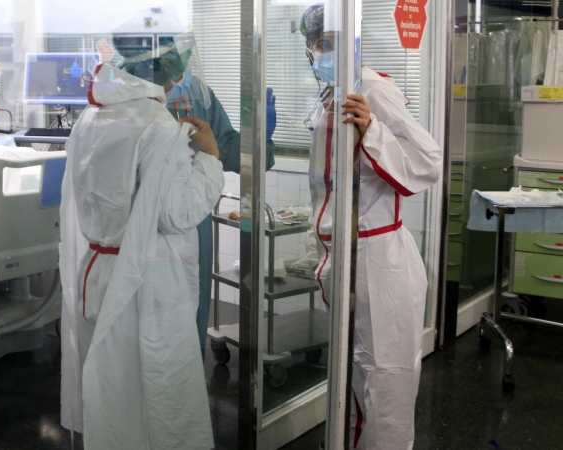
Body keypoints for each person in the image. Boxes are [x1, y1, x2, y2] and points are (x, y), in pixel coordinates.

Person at [59, 62, 224, 449]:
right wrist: (210, 159)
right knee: (154, 388)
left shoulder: (90, 116)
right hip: (145, 277)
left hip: (98, 268)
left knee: (111, 386)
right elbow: (175, 213)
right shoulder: (157, 123)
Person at [300, 5, 442, 449]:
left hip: (380, 260)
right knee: (358, 378)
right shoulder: (330, 91)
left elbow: (427, 162)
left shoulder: (373, 89)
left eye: (331, 43)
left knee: (384, 385)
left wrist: (374, 131)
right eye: (317, 43)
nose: (321, 51)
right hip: (345, 255)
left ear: (354, 42)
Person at [112, 7, 277, 358]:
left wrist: (258, 137)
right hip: (134, 226)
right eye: (175, 54)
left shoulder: (194, 92)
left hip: (186, 223)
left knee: (182, 323)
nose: (182, 64)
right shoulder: (114, 100)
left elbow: (226, 148)